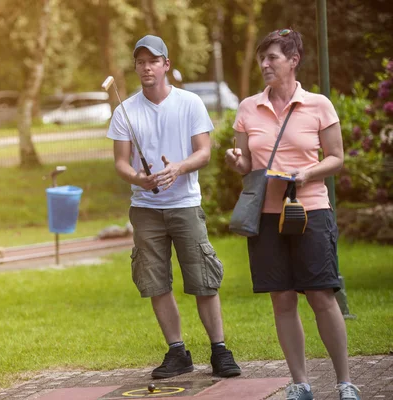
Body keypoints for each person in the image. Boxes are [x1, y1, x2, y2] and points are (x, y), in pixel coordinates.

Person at [225, 29, 360, 400]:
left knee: (321, 296)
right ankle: (300, 383)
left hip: (309, 209)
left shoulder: (318, 104)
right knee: (282, 299)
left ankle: (345, 382)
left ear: (293, 61)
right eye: (262, 58)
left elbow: (336, 157)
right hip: (265, 216)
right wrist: (236, 162)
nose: (265, 65)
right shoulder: (248, 108)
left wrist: (308, 173)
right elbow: (246, 164)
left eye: (272, 58)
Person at [106, 34, 241, 380]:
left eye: (153, 61)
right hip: (146, 209)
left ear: (166, 64)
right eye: (141, 62)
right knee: (156, 282)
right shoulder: (126, 110)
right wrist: (140, 178)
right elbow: (121, 163)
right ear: (135, 66)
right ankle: (177, 352)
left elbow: (204, 152)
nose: (147, 67)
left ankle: (220, 351)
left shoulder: (190, 103)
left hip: (185, 204)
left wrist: (177, 167)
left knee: (203, 280)